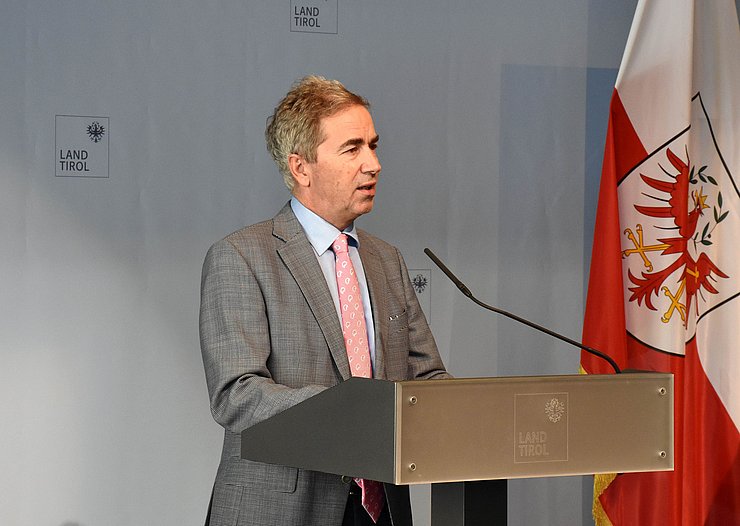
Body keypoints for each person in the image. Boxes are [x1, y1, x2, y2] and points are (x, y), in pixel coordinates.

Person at [199, 75, 449, 526]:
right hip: (281, 509)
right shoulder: (241, 257)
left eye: (374, 146)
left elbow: (425, 376)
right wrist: (355, 411)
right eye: (352, 149)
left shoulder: (386, 260)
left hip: (380, 509)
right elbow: (236, 394)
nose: (372, 164)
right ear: (301, 168)